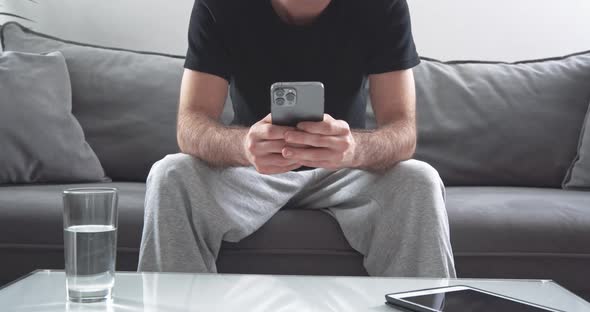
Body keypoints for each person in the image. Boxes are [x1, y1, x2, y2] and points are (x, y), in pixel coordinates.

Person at [138, 0, 456, 278]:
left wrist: (353, 149)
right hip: (251, 171)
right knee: (171, 174)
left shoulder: (382, 5)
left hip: (344, 173)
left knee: (420, 179)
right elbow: (191, 124)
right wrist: (244, 146)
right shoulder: (220, 4)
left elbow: (403, 132)